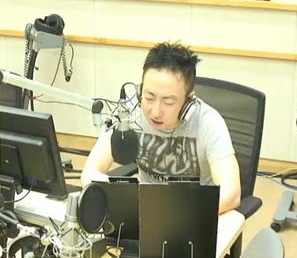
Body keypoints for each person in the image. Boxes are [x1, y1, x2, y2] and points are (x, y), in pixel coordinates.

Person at [81, 42, 241, 214]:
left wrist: (172, 212)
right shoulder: (128, 114)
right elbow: (89, 173)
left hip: (193, 213)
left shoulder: (208, 122)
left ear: (189, 101)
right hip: (144, 212)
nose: (156, 112)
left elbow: (231, 194)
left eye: (168, 102)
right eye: (149, 97)